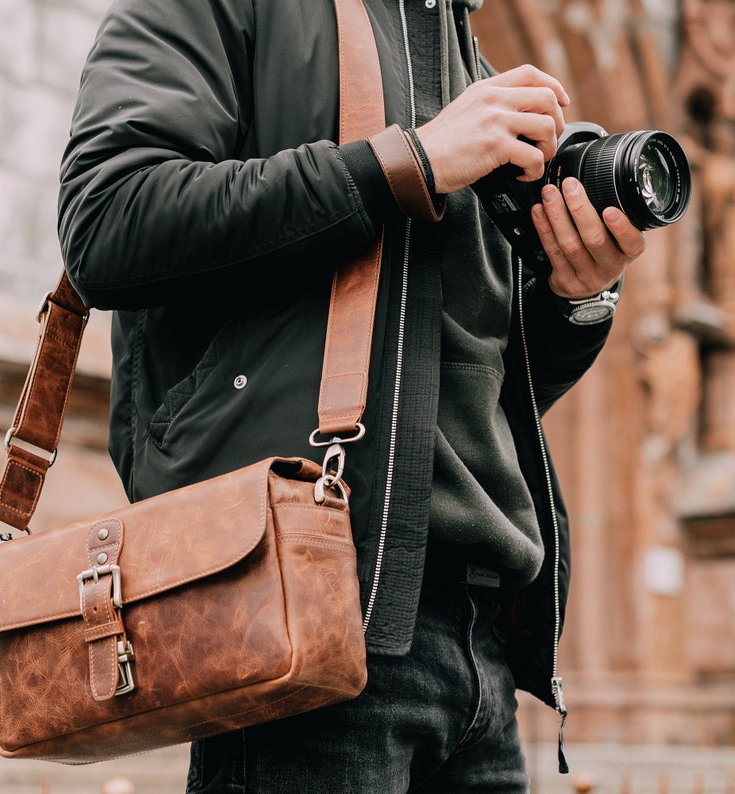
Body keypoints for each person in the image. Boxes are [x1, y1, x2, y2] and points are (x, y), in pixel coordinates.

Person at [58, 0, 646, 791]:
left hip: (481, 646)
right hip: (314, 602)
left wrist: (576, 300)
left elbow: (456, 386)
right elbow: (110, 218)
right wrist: (408, 163)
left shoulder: (464, 55)